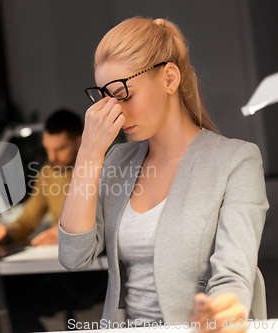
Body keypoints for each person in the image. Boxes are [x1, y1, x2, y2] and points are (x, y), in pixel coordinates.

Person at [58, 17, 269, 332]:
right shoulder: (117, 160)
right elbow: (74, 257)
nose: (114, 111)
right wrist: (89, 152)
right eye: (104, 97)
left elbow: (232, 277)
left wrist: (222, 314)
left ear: (170, 78)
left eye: (124, 94)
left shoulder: (236, 160)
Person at [0, 109, 82, 246]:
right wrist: (9, 231)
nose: (52, 157)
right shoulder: (48, 173)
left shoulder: (103, 169)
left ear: (79, 142)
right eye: (47, 149)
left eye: (60, 149)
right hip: (61, 255)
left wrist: (69, 233)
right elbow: (29, 219)